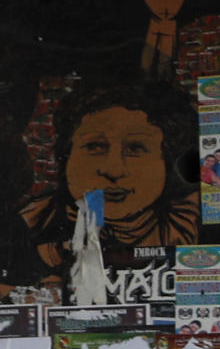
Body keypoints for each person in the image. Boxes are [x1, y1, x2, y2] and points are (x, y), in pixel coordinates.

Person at [22, 76, 199, 277]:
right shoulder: (30, 226)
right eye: (94, 146)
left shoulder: (192, 226)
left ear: (168, 160)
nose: (113, 171)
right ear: (67, 154)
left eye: (135, 148)